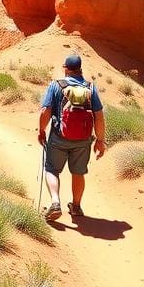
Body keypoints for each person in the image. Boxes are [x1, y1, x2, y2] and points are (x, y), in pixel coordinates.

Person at [37, 53, 105, 221]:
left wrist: (41, 131)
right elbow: (99, 116)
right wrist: (100, 141)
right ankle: (75, 207)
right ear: (80, 69)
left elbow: (45, 111)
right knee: (78, 173)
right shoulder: (90, 88)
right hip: (83, 141)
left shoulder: (56, 85)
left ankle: (55, 202)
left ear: (66, 69)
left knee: (52, 169)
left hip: (59, 138)